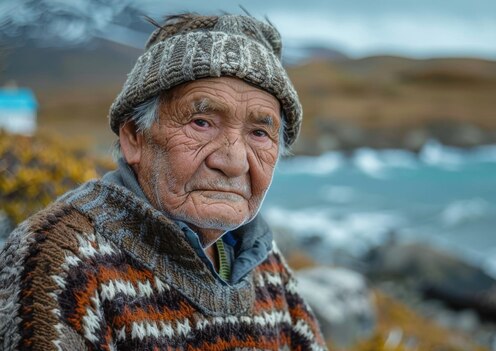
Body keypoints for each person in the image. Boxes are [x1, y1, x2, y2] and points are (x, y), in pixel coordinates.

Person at [0, 13, 327, 350]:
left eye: (260, 133)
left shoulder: (262, 260)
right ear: (134, 138)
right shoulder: (61, 259)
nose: (233, 162)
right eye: (201, 123)